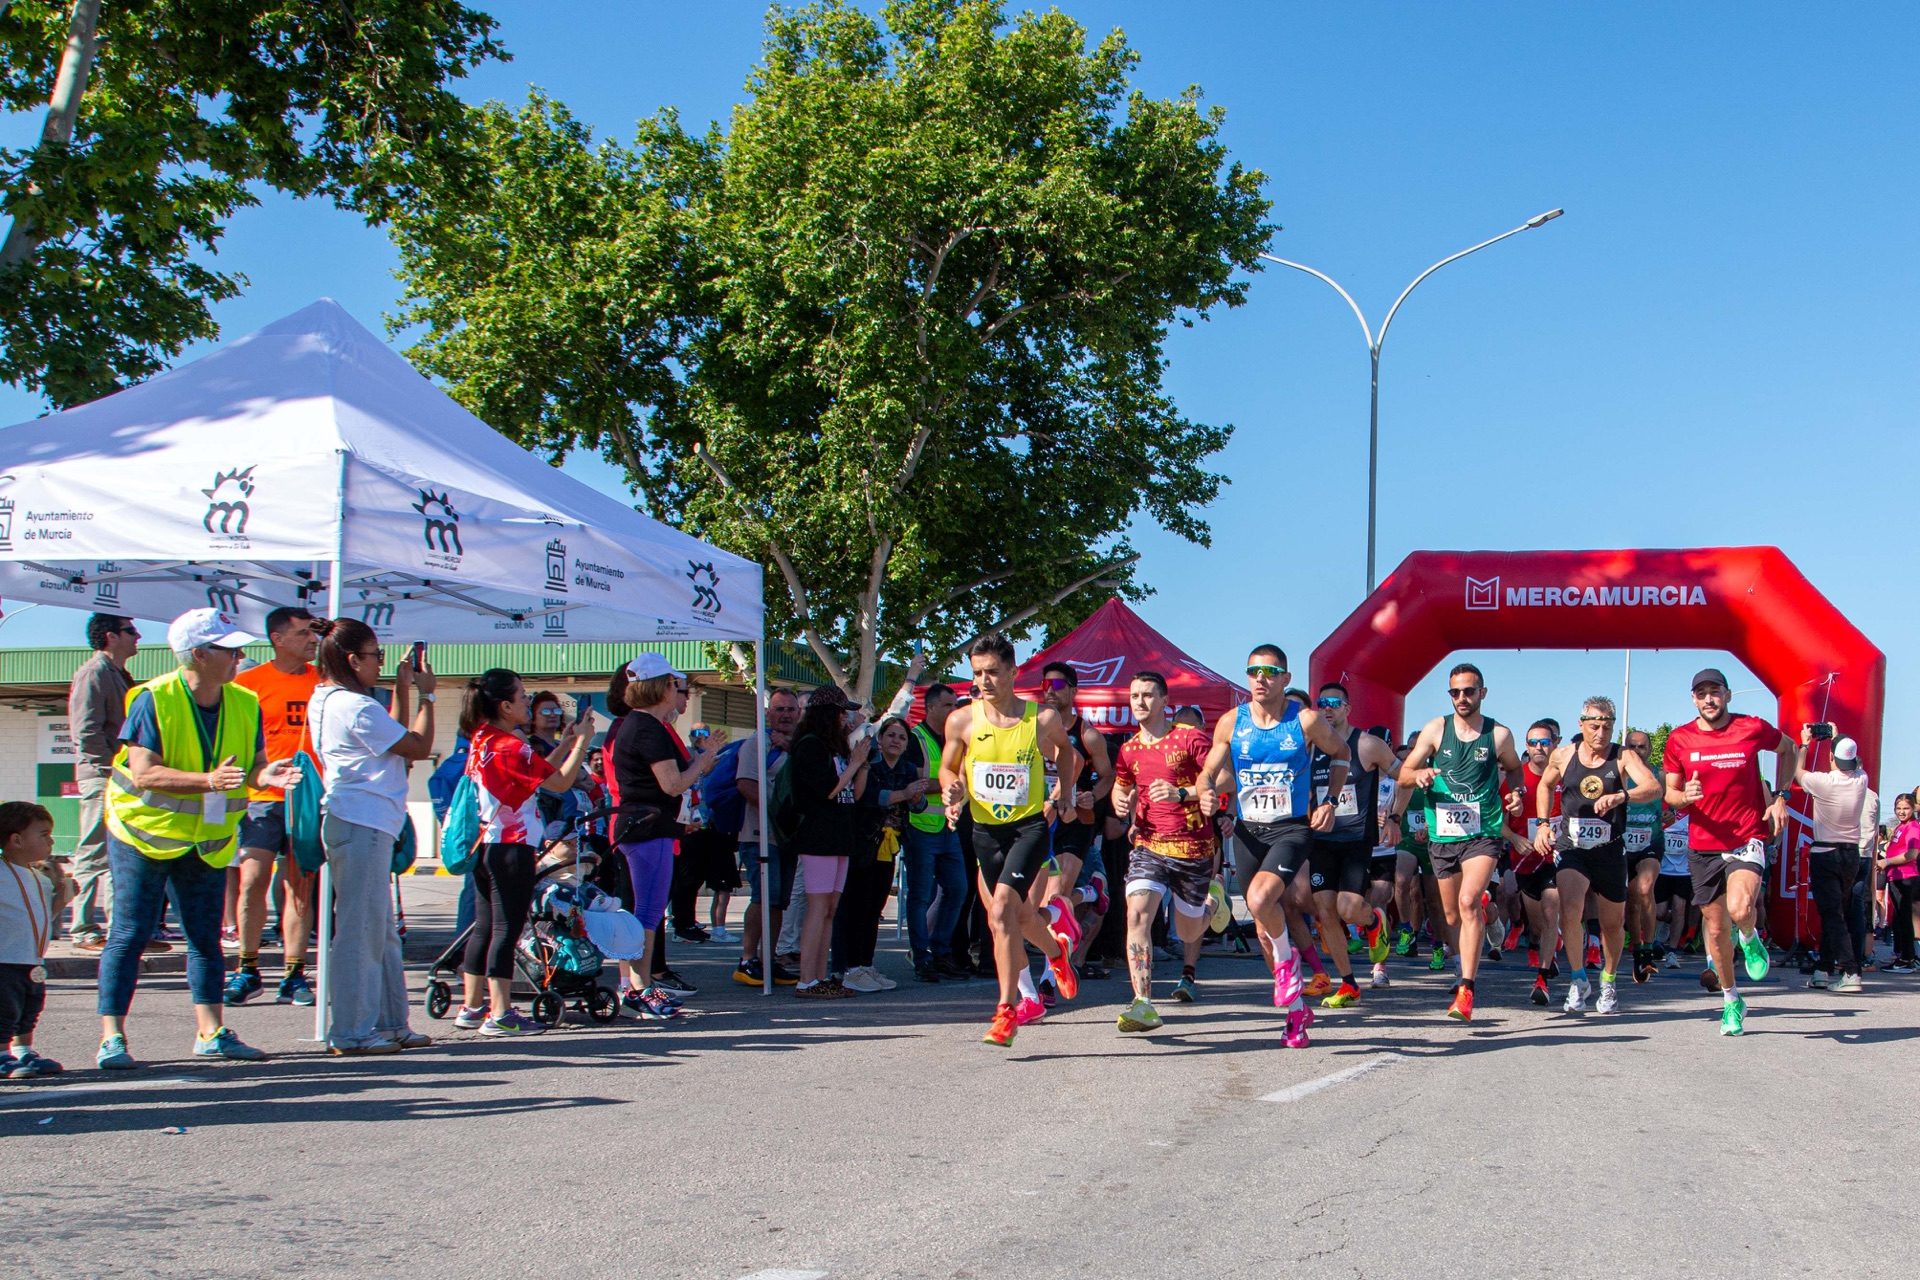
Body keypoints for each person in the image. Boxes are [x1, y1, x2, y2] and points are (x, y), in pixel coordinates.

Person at [96, 608, 301, 1069]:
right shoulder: (153, 698)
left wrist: (267, 775)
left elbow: (252, 768)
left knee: (204, 937)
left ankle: (211, 1031)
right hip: (143, 834)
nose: (239, 657)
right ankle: (112, 1037)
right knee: (129, 933)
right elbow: (144, 772)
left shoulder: (244, 701)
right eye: (230, 650)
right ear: (199, 654)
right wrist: (208, 781)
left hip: (204, 840)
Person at [1201, 645, 1351, 1047]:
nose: (1260, 679)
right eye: (1253, 671)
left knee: (1259, 897)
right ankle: (1296, 1011)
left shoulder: (1305, 720)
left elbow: (1342, 752)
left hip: (1291, 829)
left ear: (1286, 678)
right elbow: (1209, 771)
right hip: (1249, 831)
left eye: (1269, 672)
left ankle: (1289, 966)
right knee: (1264, 927)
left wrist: (1330, 801)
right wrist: (1204, 791)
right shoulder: (1232, 722)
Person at [939, 634, 1081, 1046]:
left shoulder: (1041, 719)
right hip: (985, 831)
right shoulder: (962, 721)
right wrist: (952, 791)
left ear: (1013, 672)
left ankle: (1007, 1011)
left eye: (992, 672)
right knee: (1013, 918)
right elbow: (948, 768)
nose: (983, 681)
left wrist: (1065, 793)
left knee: (1003, 909)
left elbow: (1068, 754)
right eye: (977, 673)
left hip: (1028, 828)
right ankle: (1056, 952)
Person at [306, 619, 437, 1054]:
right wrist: (428, 695)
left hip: (362, 820)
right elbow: (417, 745)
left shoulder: (332, 700)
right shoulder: (354, 706)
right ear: (352, 660)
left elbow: (391, 738)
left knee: (379, 930)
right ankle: (352, 1030)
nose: (378, 663)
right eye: (375, 656)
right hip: (363, 821)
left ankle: (389, 1022)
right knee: (361, 932)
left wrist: (401, 688)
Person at [455, 666, 594, 1037]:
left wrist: (564, 743)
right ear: (504, 706)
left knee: (485, 926)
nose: (528, 701)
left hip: (485, 844)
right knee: (507, 929)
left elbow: (537, 774)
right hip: (512, 848)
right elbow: (559, 783)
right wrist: (582, 743)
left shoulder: (483, 739)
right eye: (522, 695)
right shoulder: (511, 745)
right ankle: (501, 1013)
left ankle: (472, 1006)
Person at [1662, 668, 1797, 1036]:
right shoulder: (1680, 739)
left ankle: (1751, 939)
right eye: (1701, 693)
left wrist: (1781, 797)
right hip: (1703, 845)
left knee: (1740, 909)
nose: (1709, 699)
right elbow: (1670, 793)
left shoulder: (1750, 727)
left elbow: (1790, 748)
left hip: (1745, 835)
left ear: (1728, 695)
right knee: (1717, 928)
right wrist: (1683, 797)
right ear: (1693, 699)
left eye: (1715, 691)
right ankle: (1732, 1000)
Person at [1394, 661, 1524, 1023]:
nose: (1462, 698)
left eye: (1469, 691)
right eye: (1455, 692)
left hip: (1483, 833)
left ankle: (1467, 988)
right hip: (1443, 835)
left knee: (1467, 902)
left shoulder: (1499, 735)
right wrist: (1420, 773)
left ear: (1482, 693)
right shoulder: (1436, 729)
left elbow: (1515, 768)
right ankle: (1489, 916)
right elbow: (1403, 774)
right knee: (1452, 915)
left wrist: (1517, 793)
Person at [1532, 696, 1662, 1013]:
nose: (1600, 734)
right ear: (1582, 725)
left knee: (1612, 924)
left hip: (1609, 848)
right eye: (1594, 726)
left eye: (1607, 727)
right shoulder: (1564, 755)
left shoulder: (1623, 756)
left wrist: (1622, 796)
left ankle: (1608, 980)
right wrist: (1543, 824)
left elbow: (1654, 787)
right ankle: (1578, 980)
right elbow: (1544, 786)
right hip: (1572, 846)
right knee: (1570, 910)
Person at [1108, 672, 1221, 1033]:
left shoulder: (1189, 738)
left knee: (1188, 932)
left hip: (1193, 847)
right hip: (1149, 844)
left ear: (1164, 701)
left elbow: (1225, 779)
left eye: (1147, 695)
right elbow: (1121, 786)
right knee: (1137, 914)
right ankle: (1142, 1002)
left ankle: (1212, 905)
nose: (1139, 702)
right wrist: (1119, 800)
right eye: (1134, 696)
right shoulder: (1128, 749)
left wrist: (1183, 793)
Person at [607, 654, 716, 1016]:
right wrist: (702, 762)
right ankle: (640, 988)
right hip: (647, 828)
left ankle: (635, 987)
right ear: (660, 687)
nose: (678, 690)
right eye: (673, 684)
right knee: (648, 913)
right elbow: (672, 784)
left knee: (644, 911)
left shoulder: (638, 725)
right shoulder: (647, 728)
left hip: (645, 826)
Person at [225, 606, 321, 1008]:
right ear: (278, 639)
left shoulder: (324, 681)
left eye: (313, 632)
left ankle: (294, 974)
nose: (312, 639)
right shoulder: (247, 684)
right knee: (252, 880)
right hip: (263, 797)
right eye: (303, 633)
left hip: (307, 798)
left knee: (300, 887)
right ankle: (247, 969)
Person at [1306, 682, 1393, 1009]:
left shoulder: (1367, 744)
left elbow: (1403, 776)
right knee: (1326, 911)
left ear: (1348, 708)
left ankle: (1373, 921)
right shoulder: (1312, 746)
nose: (1327, 708)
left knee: (1347, 908)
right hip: (1321, 839)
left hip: (1356, 840)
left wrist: (1395, 816)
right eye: (1322, 703)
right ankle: (1348, 984)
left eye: (1334, 702)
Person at [786, 685, 872, 998]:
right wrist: (854, 764)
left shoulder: (835, 748)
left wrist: (862, 764)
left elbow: (854, 794)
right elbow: (827, 790)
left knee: (831, 908)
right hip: (818, 836)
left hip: (840, 834)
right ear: (828, 714)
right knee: (818, 906)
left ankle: (820, 976)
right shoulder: (809, 746)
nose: (845, 718)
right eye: (841, 712)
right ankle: (807, 979)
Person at [833, 716, 930, 991]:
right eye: (891, 735)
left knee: (875, 908)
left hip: (890, 846)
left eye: (902, 737)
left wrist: (916, 797)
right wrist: (904, 793)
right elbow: (867, 797)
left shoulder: (908, 769)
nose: (896, 741)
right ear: (880, 739)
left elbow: (919, 805)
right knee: (857, 906)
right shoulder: (870, 765)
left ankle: (866, 965)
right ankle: (850, 967)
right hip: (864, 844)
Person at [66, 613, 140, 951]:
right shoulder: (94, 673)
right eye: (130, 630)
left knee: (116, 852)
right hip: (103, 777)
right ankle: (83, 928)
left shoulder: (119, 674)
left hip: (119, 777)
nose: (137, 636)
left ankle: (118, 927)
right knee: (93, 851)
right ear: (111, 636)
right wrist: (109, 769)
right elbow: (86, 731)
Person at [733, 687, 802, 987]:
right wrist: (777, 813)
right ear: (767, 713)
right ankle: (748, 959)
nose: (785, 715)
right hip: (759, 834)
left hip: (788, 837)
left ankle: (769, 959)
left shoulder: (799, 745)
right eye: (779, 709)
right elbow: (745, 784)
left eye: (790, 709)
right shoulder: (757, 743)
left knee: (778, 901)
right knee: (763, 897)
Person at [903, 682, 972, 983]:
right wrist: (948, 783)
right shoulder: (916, 738)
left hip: (948, 827)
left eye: (955, 705)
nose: (954, 711)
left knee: (958, 889)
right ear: (930, 708)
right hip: (921, 827)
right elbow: (912, 784)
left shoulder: (954, 737)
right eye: (948, 705)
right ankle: (922, 957)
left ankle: (941, 952)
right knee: (920, 896)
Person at [1796, 731, 1874, 992]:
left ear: (1831, 757)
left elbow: (1797, 772)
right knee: (1836, 911)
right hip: (1851, 854)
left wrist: (1805, 743)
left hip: (1825, 853)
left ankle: (1851, 971)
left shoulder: (1823, 782)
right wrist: (1837, 735)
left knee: (1831, 915)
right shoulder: (1861, 779)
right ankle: (1823, 968)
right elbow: (1854, 763)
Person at [1, 802, 73, 1078]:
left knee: (30, 1007)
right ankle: (1, 1053)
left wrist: (62, 898)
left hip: (32, 958)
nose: (51, 841)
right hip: (5, 957)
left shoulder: (40, 878)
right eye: (43, 835)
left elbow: (42, 915)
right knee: (5, 1009)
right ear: (17, 840)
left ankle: (23, 1049)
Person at [1506, 718, 1563, 1006]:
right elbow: (1496, 821)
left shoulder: (1567, 776)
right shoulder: (1517, 779)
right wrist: (1514, 838)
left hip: (1557, 857)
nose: (1539, 747)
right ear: (1526, 746)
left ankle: (1542, 978)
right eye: (1533, 742)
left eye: (1544, 742)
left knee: (1552, 912)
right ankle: (1549, 948)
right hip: (1525, 860)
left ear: (1556, 743)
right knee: (1538, 925)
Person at [1622, 727, 1666, 982]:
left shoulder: (1659, 774)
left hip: (1651, 841)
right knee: (1631, 897)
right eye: (1632, 746)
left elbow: (1673, 798)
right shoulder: (1618, 773)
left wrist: (1672, 810)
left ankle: (1648, 947)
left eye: (1642, 746)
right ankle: (1637, 947)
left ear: (1649, 750)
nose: (1637, 751)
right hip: (1623, 844)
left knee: (1644, 888)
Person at [1876, 795, 1920, 971]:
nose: (1901, 812)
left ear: (1913, 808)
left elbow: (1911, 854)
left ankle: (1908, 959)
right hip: (1895, 877)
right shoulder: (1900, 827)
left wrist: (1886, 862)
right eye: (1898, 808)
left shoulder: (1913, 827)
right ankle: (1903, 955)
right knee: (1899, 919)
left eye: (1906, 808)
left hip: (1906, 878)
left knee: (1905, 919)